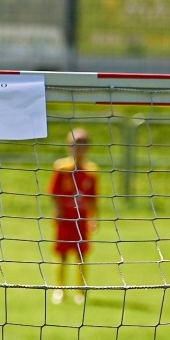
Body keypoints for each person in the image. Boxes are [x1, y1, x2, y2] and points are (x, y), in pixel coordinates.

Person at [47, 128, 99, 304]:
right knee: (61, 254)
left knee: (81, 255)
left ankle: (80, 291)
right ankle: (59, 290)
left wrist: (94, 218)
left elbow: (93, 199)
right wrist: (58, 211)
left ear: (88, 147)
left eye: (83, 144)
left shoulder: (91, 171)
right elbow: (53, 193)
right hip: (65, 219)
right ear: (69, 146)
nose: (79, 148)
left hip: (81, 220)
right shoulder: (61, 168)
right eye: (75, 144)